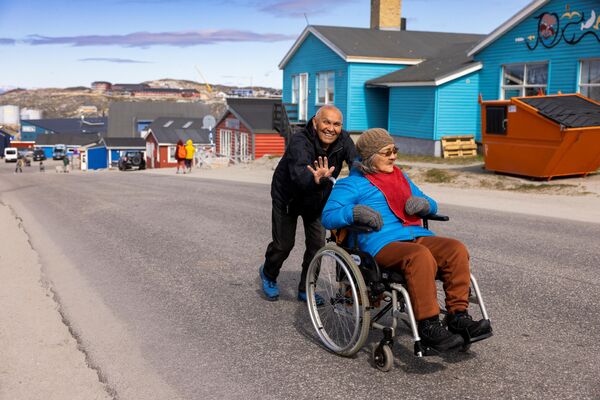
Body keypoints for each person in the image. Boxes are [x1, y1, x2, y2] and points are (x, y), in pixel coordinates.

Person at [321, 128, 492, 352]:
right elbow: (328, 216)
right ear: (370, 157)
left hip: (414, 235)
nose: (393, 156)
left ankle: (457, 317)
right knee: (419, 257)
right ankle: (429, 325)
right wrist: (354, 212)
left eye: (395, 150)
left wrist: (425, 205)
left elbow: (429, 201)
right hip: (381, 244)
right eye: (387, 152)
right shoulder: (351, 184)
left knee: (455, 249)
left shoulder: (400, 177)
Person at [258, 105, 357, 302]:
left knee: (317, 246)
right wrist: (316, 178)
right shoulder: (299, 140)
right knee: (283, 245)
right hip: (288, 197)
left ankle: (306, 288)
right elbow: (299, 175)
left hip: (318, 200)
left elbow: (356, 164)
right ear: (315, 122)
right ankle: (268, 273)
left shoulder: (344, 139)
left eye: (336, 124)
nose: (331, 128)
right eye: (326, 122)